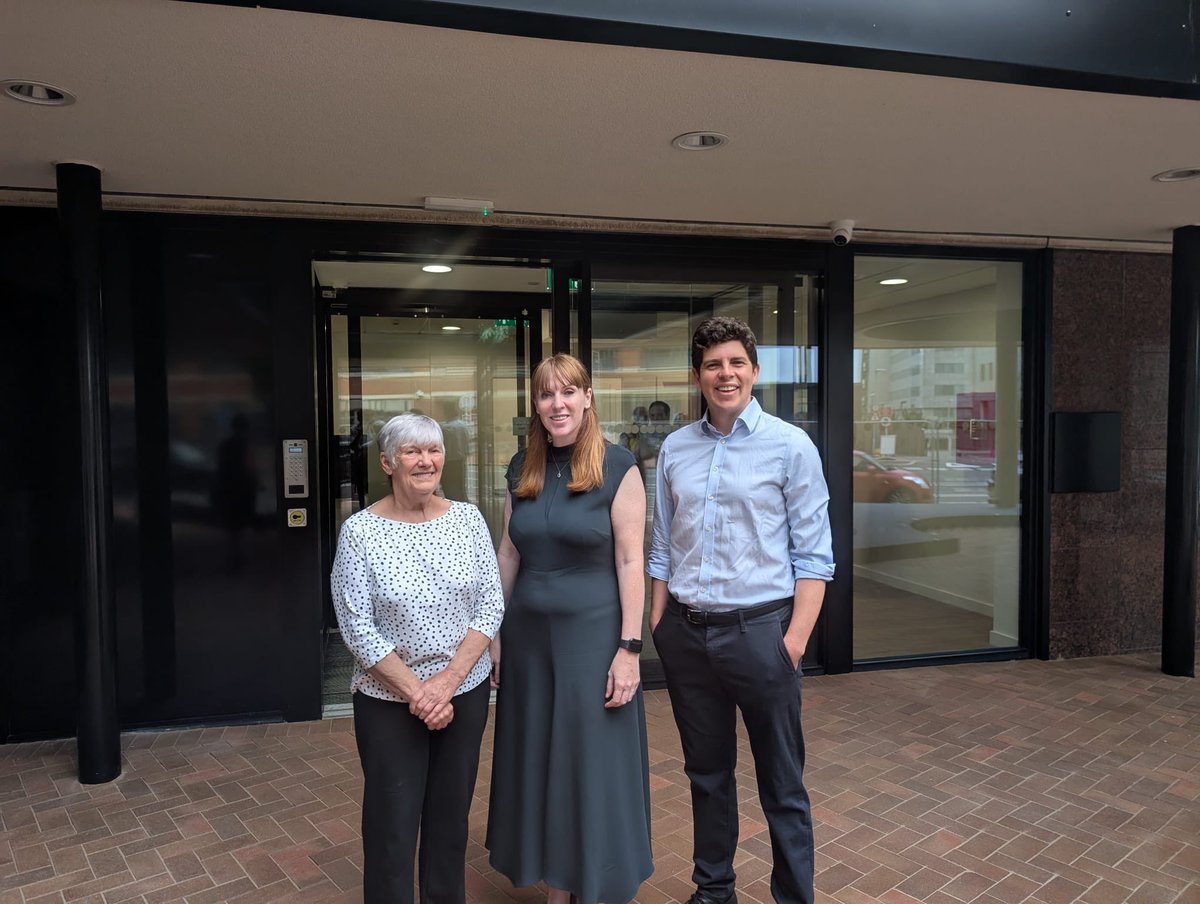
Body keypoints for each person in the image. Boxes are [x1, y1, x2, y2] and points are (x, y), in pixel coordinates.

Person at [648, 317, 835, 904]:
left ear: (754, 370)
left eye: (735, 363)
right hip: (686, 635)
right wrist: (659, 624)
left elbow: (815, 554)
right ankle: (714, 891)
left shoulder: (790, 445)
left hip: (762, 634)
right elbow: (661, 546)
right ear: (698, 375)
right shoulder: (676, 448)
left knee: (782, 782)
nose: (724, 374)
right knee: (706, 775)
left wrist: (793, 642)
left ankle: (793, 897)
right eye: (712, 364)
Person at [487, 353, 653, 904]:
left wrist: (630, 648)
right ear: (535, 405)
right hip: (528, 635)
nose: (557, 404)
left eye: (567, 393)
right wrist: (494, 633)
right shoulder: (522, 466)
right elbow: (509, 551)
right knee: (539, 756)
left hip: (594, 637)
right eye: (545, 395)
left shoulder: (618, 465)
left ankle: (597, 878)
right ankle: (558, 881)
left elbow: (632, 562)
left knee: (589, 760)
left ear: (587, 398)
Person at [330, 412, 504, 904]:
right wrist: (419, 693)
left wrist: (446, 684)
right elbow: (355, 626)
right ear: (387, 462)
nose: (425, 461)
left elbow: (490, 604)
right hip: (389, 701)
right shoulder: (360, 532)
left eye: (433, 449)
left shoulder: (468, 519)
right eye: (412, 451)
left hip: (462, 694)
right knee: (392, 824)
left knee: (450, 820)